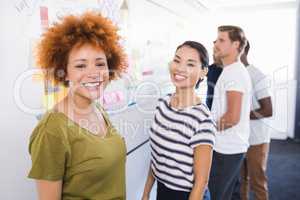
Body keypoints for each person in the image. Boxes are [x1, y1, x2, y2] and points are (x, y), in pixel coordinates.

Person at [27, 12, 127, 200]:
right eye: (81, 66)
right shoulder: (52, 130)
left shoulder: (97, 108)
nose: (94, 73)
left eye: (100, 64)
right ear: (64, 73)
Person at [141, 41, 216, 200]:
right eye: (177, 60)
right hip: (162, 191)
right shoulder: (162, 104)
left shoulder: (202, 119)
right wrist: (146, 192)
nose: (180, 68)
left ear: (203, 72)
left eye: (190, 64)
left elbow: (201, 182)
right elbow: (157, 157)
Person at [208, 25, 252, 200]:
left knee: (218, 195)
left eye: (221, 40)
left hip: (225, 150)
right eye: (216, 40)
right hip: (231, 147)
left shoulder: (234, 73)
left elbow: (232, 118)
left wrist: (205, 131)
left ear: (236, 44)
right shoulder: (231, 71)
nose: (216, 43)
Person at [240, 41, 273, 200]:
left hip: (257, 140)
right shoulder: (233, 73)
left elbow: (268, 110)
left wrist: (238, 115)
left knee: (257, 183)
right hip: (240, 138)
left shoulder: (257, 75)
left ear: (240, 49)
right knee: (241, 182)